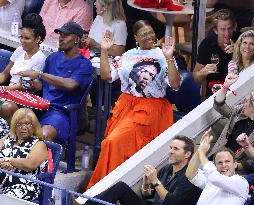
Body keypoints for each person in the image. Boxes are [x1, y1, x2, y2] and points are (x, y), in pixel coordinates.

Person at [87, 20, 181, 188]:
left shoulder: (163, 55)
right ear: (136, 38)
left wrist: (169, 58)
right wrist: (104, 50)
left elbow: (175, 84)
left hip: (150, 108)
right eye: (144, 34)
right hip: (126, 105)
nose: (149, 37)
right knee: (111, 143)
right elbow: (107, 75)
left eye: (151, 32)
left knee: (112, 143)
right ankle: (108, 187)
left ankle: (107, 188)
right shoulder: (128, 54)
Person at [18, 22, 93, 141]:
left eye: (66, 35)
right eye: (60, 34)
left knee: (43, 135)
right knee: (8, 108)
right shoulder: (53, 58)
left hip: (62, 112)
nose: (61, 38)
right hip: (40, 105)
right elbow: (40, 86)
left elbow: (70, 85)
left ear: (77, 39)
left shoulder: (84, 64)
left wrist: (40, 74)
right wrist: (28, 83)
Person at [74, 136, 201, 205]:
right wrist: (146, 184)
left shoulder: (190, 177)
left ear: (187, 154)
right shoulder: (167, 168)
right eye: (171, 147)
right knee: (121, 187)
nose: (171, 151)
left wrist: (155, 181)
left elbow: (172, 203)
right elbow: (148, 196)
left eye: (176, 149)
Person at [0, 108, 48, 202]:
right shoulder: (8, 138)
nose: (23, 127)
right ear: (14, 126)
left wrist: (7, 160)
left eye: (27, 124)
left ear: (34, 126)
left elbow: (29, 164)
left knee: (2, 199)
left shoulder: (39, 144)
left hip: (22, 185)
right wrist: (0, 163)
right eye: (19, 124)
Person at [186, 129, 249, 205]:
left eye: (227, 161)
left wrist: (202, 153)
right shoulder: (210, 181)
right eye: (219, 162)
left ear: (235, 164)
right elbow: (190, 174)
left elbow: (216, 178)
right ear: (215, 166)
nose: (223, 165)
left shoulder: (241, 182)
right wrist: (200, 149)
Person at [0, 13, 46, 91]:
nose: (22, 41)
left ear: (37, 39)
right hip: (7, 91)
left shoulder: (41, 58)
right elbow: (4, 74)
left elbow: (28, 84)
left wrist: (4, 89)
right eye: (21, 37)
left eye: (27, 38)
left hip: (22, 97)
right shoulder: (19, 50)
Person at [193, 9, 237, 99]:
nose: (227, 33)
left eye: (230, 28)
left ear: (234, 27)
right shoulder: (207, 44)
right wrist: (203, 72)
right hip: (214, 90)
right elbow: (196, 79)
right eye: (223, 29)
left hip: (237, 88)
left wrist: (238, 51)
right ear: (215, 30)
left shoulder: (241, 42)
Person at [210, 73, 254, 155]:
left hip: (236, 165)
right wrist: (225, 86)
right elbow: (219, 106)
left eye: (246, 102)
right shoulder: (241, 111)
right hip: (217, 157)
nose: (243, 103)